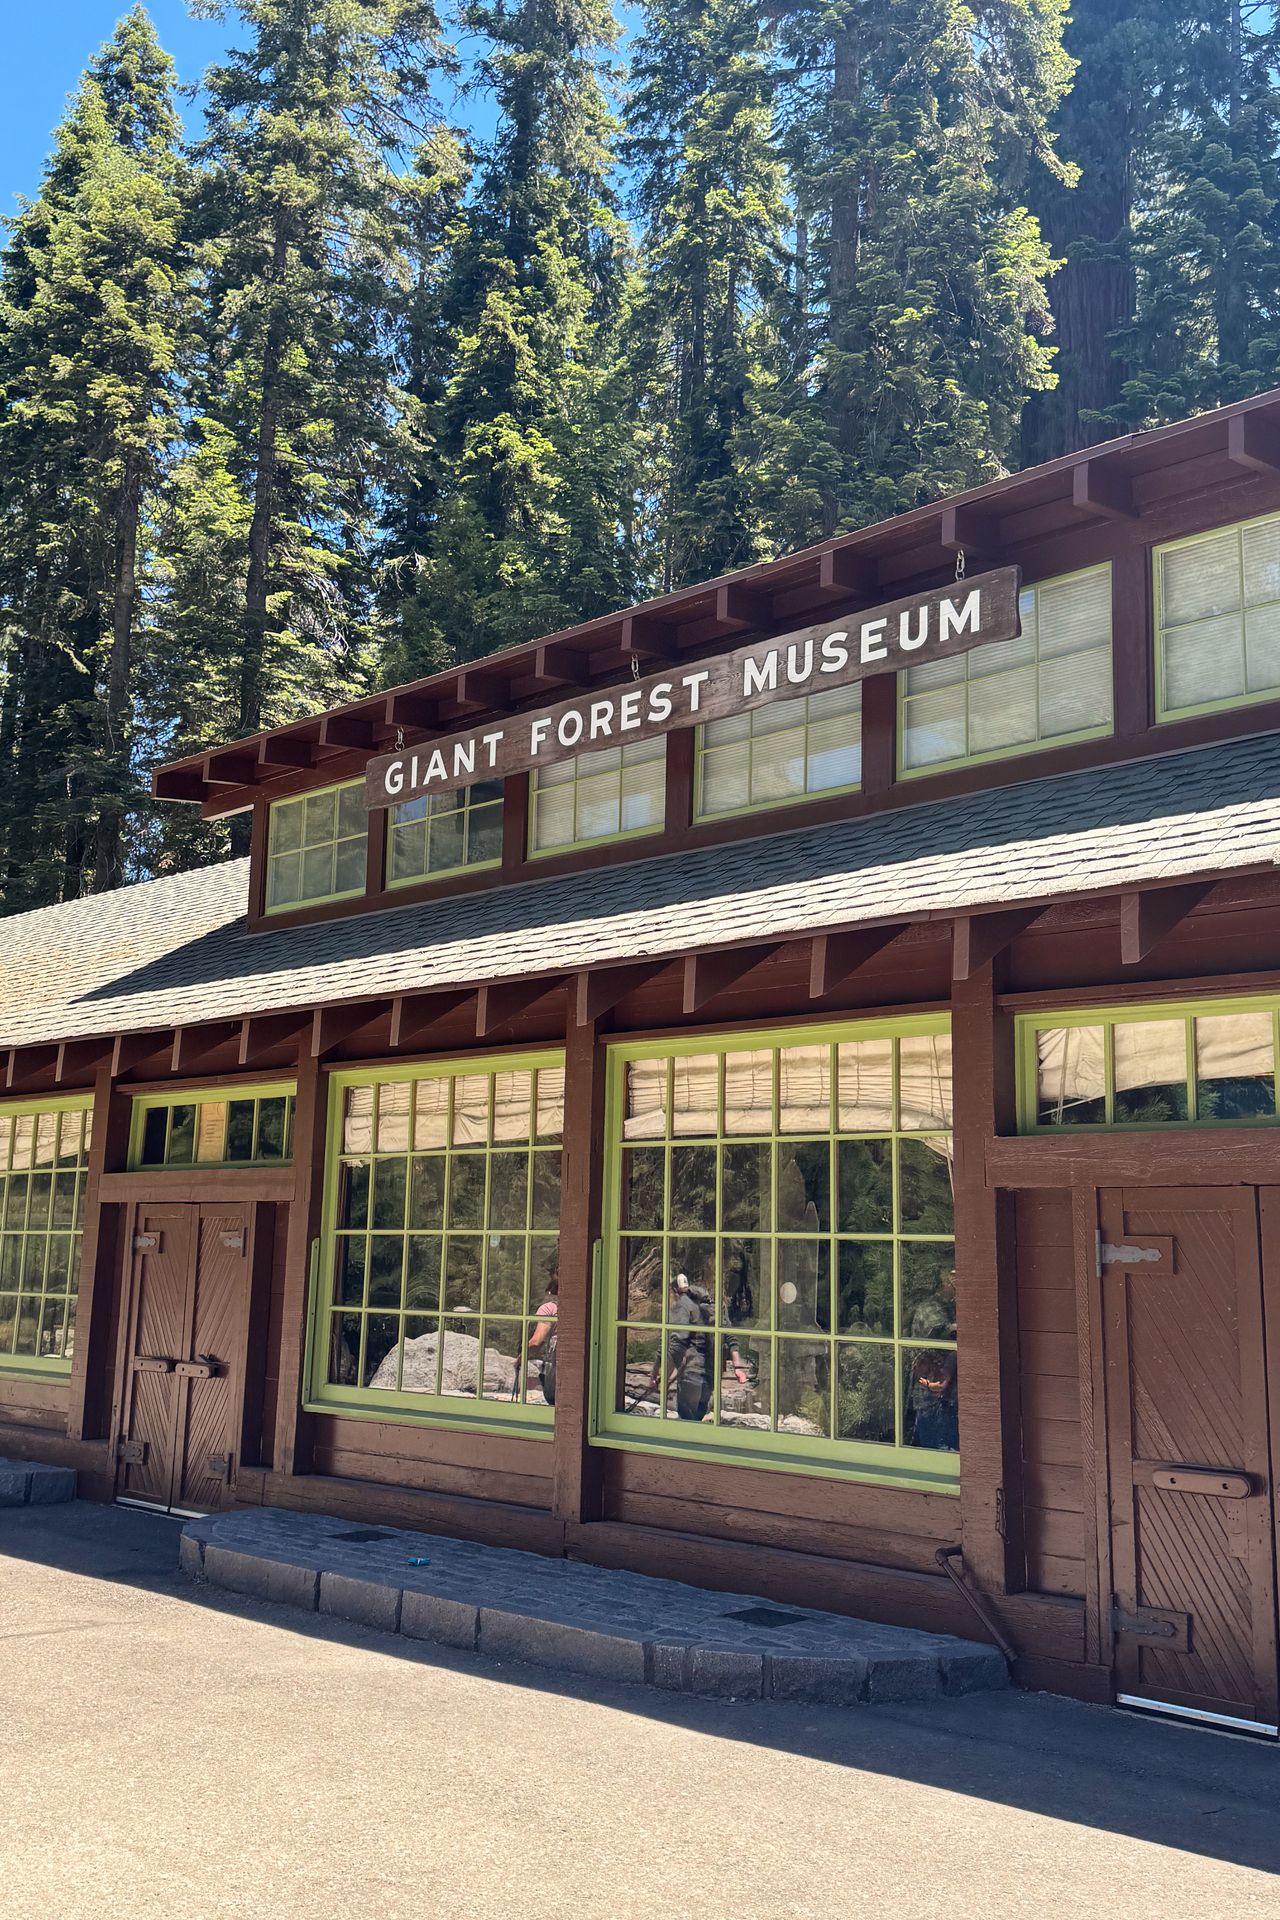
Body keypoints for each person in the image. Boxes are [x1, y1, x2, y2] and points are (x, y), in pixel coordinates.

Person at [525, 1275, 558, 1405]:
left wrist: (521, 1359)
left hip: (557, 1364)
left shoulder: (548, 1308)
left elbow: (536, 1342)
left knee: (553, 1398)